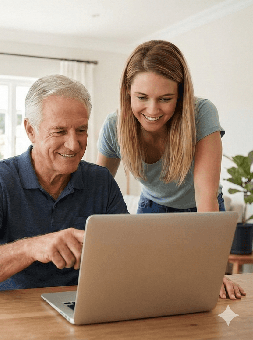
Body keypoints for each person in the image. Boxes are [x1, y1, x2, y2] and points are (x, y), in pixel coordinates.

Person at [96, 40, 245, 300]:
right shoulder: (114, 125)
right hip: (151, 207)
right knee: (147, 290)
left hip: (202, 212)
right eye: (141, 97)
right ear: (127, 92)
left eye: (165, 99)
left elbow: (205, 195)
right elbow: (97, 188)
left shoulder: (201, 114)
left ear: (181, 95)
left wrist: (212, 270)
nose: (152, 111)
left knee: (201, 290)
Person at [0, 75, 128, 292]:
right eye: (59, 131)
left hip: (80, 306)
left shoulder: (101, 180)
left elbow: (126, 256)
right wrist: (33, 247)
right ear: (30, 130)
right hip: (11, 311)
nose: (74, 145)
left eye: (81, 130)